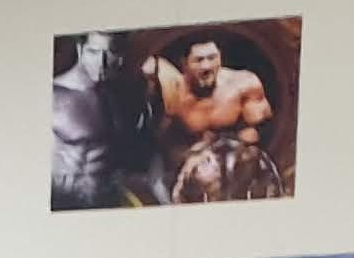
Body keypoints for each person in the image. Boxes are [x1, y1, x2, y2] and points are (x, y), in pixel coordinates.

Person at [148, 35, 281, 201]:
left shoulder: (244, 84)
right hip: (182, 171)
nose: (206, 66)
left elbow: (257, 134)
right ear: (184, 63)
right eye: (199, 60)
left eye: (212, 58)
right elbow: (163, 141)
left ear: (220, 58)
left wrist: (223, 147)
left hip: (235, 168)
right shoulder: (171, 91)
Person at [51, 30, 154, 208]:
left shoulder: (123, 98)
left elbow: (133, 158)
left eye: (110, 53)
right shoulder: (55, 95)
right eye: (93, 52)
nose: (102, 62)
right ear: (80, 49)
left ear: (120, 56)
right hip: (65, 203)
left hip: (106, 202)